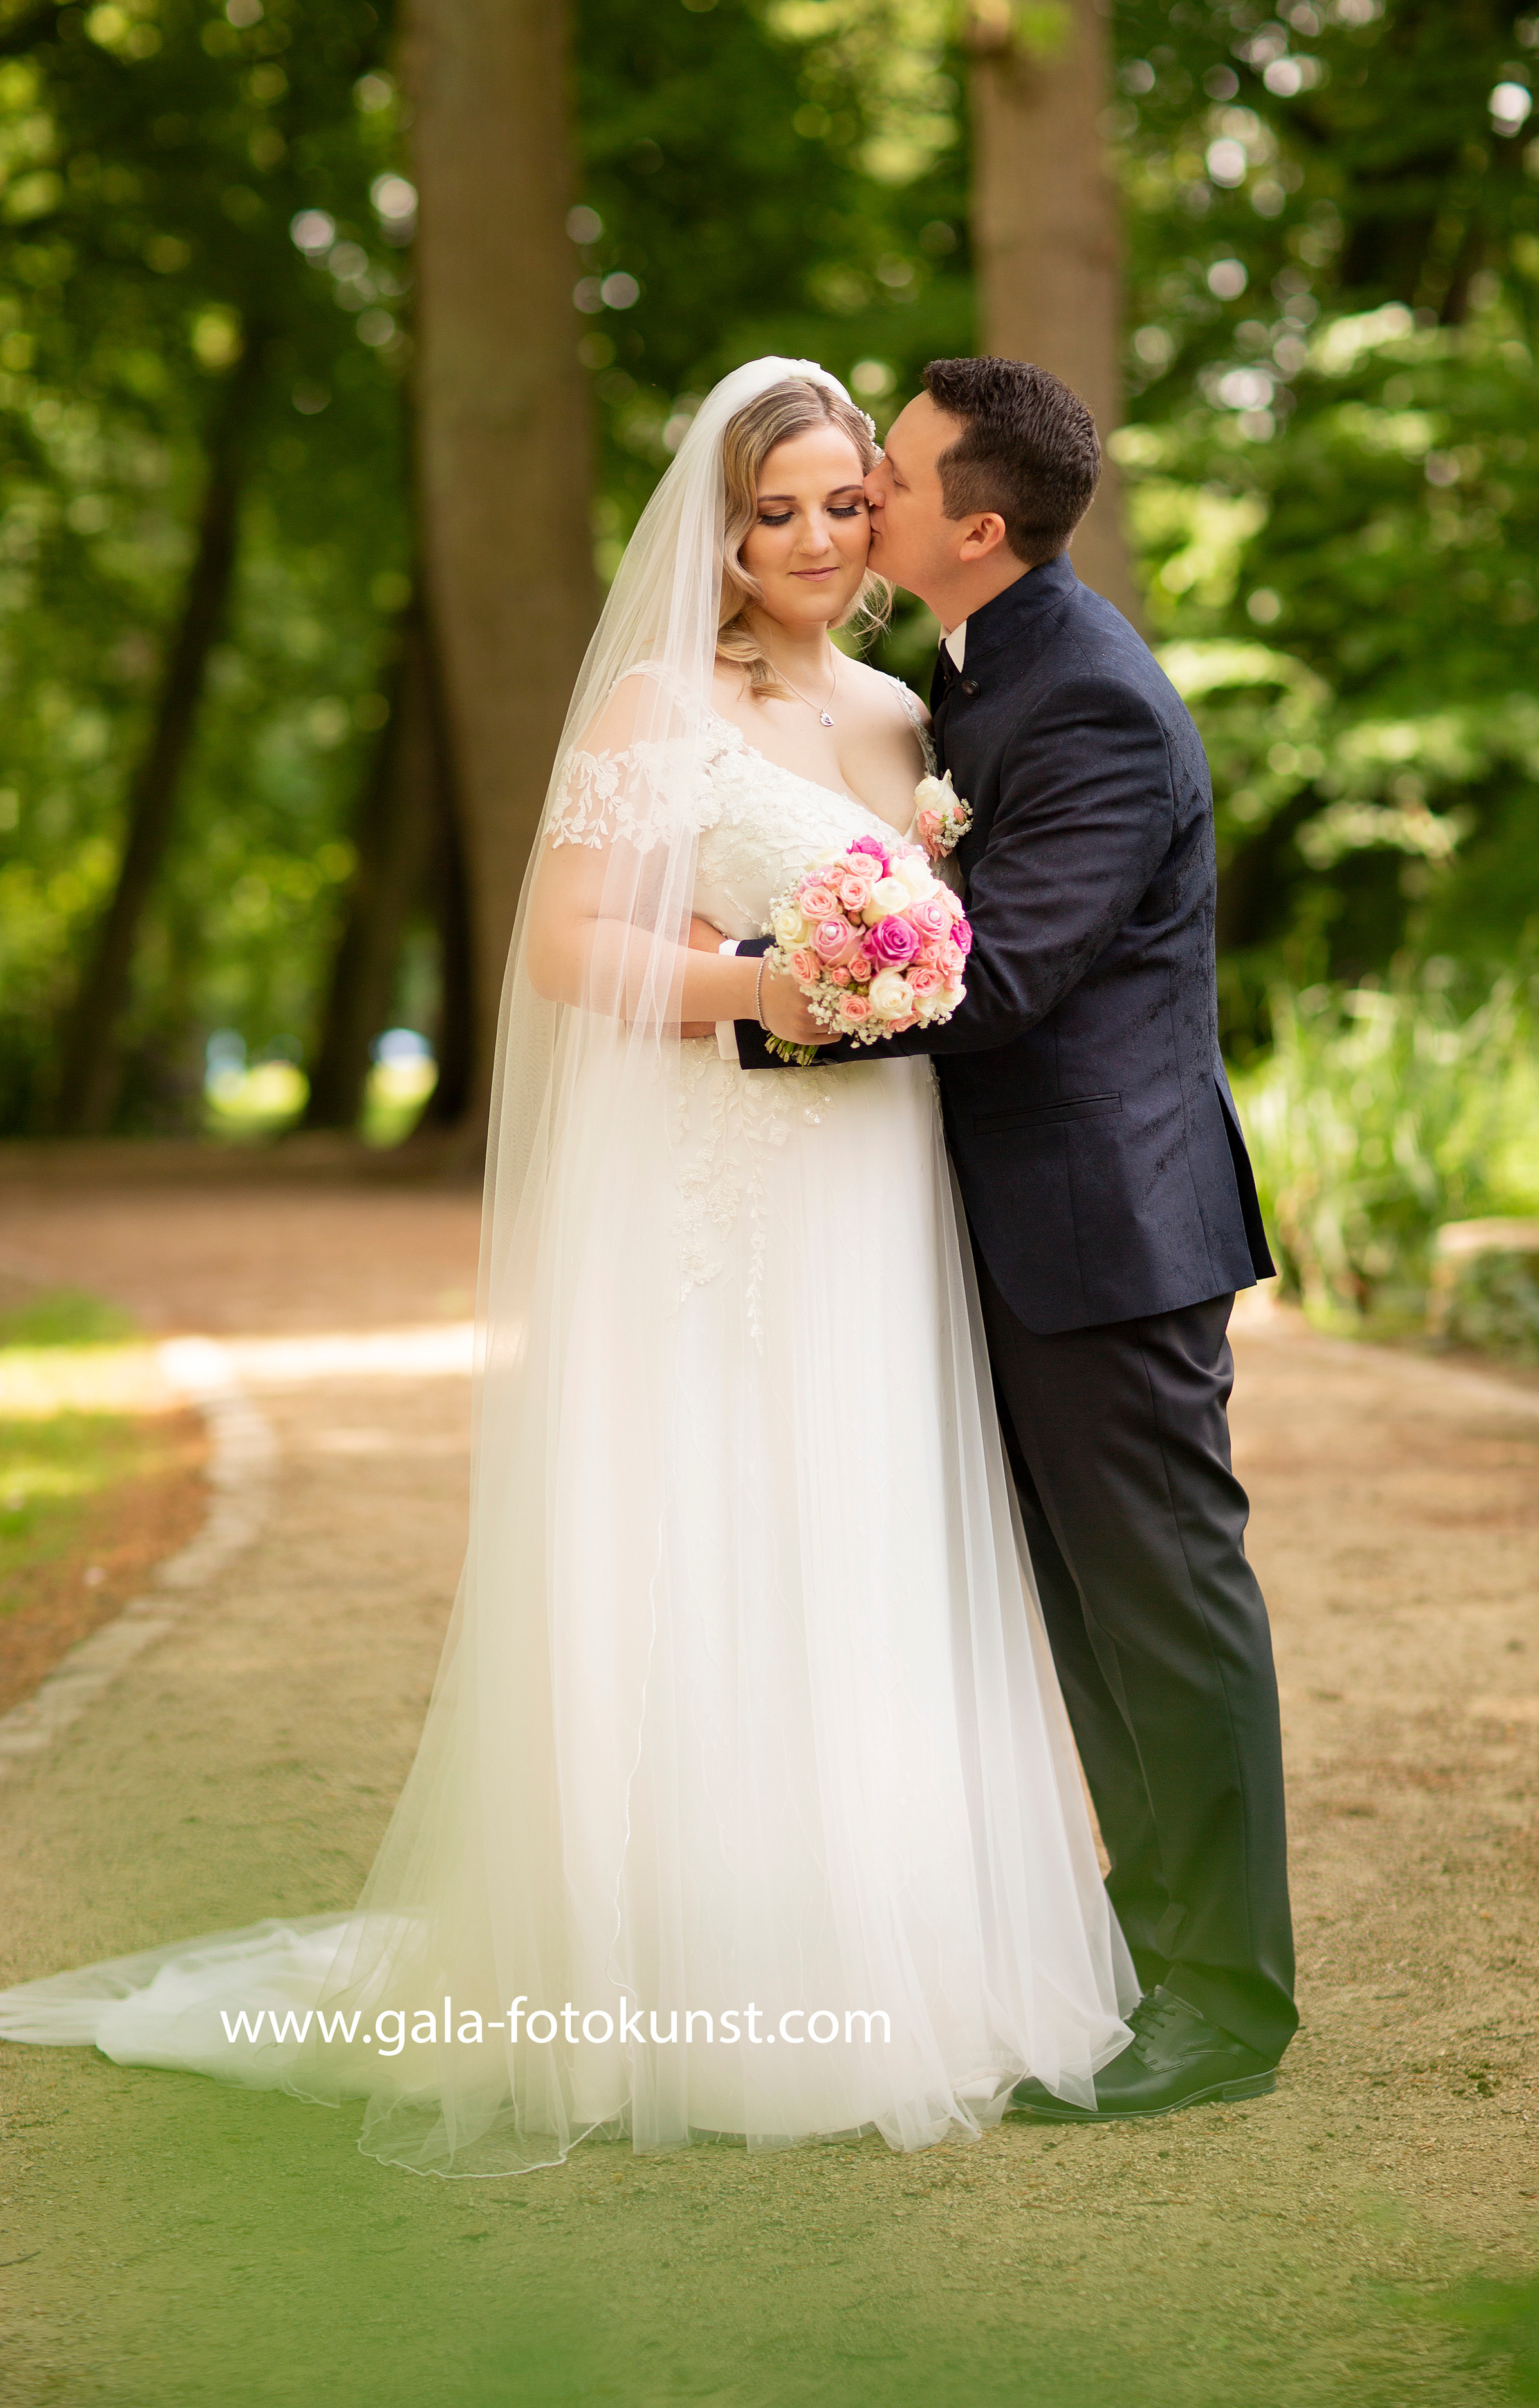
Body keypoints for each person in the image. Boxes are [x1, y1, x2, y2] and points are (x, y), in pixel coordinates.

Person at [0, 359, 1139, 2173]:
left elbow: (961, 959)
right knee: (704, 1526)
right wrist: (771, 983)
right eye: (780, 513)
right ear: (721, 524)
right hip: (721, 1176)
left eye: (850, 504)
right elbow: (564, 952)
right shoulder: (652, 709)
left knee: (852, 1521)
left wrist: (879, 971)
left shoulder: (913, 727)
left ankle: (873, 1951)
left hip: (872, 1186)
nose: (823, 540)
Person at [724, 358, 1297, 2116]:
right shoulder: (989, 669)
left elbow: (1014, 974)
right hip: (1020, 1220)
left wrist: (764, 1013)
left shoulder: (1092, 706)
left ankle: (1230, 2005)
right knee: (1085, 1609)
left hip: (1106, 1230)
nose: (861, 495)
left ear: (975, 527)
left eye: (885, 476)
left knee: (1165, 1605)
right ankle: (1158, 1940)